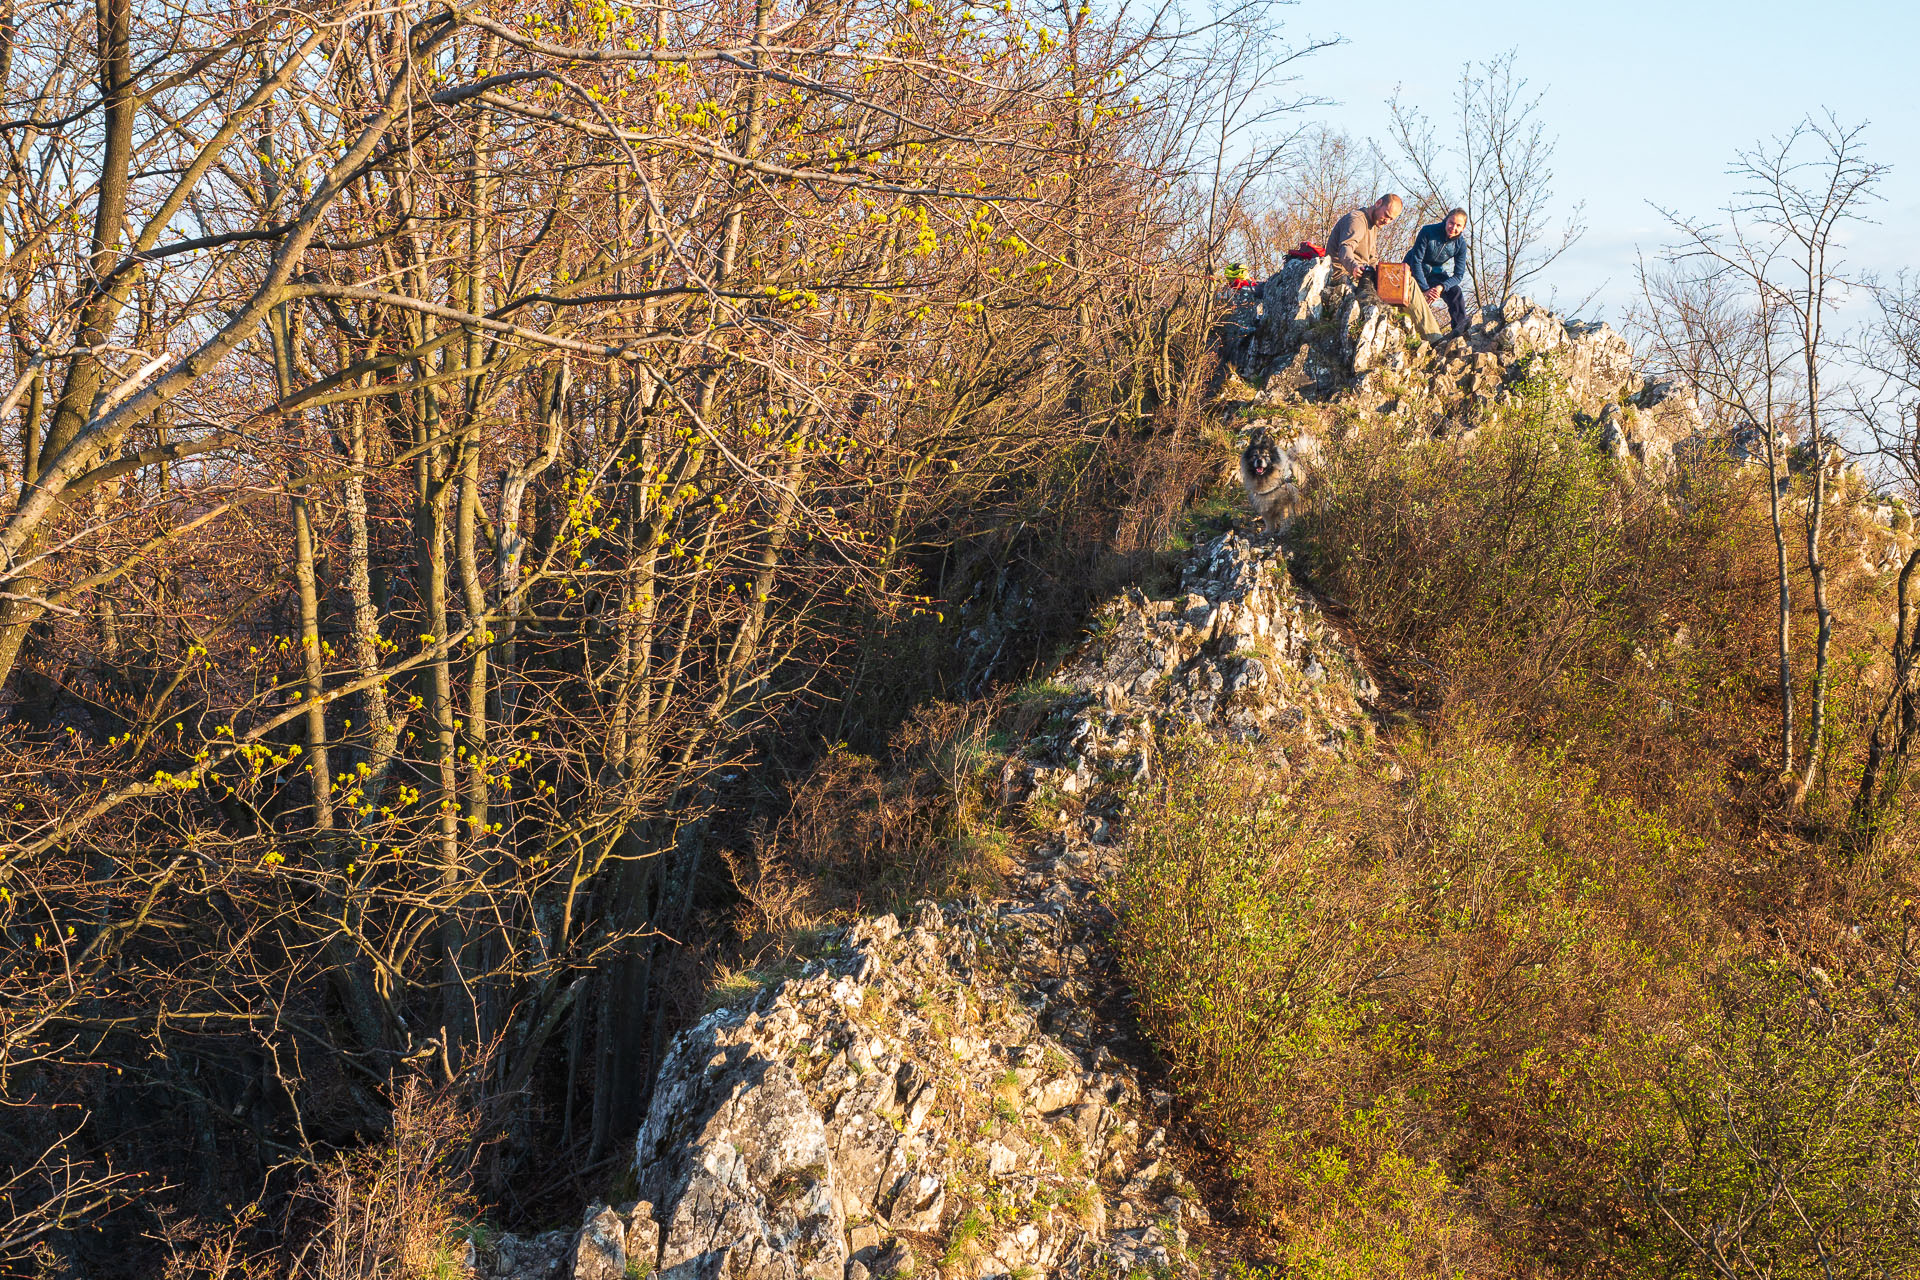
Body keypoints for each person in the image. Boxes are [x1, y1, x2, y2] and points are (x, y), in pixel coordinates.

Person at [1325, 194, 1440, 338]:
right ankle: (1434, 337)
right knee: (1407, 284)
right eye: (1386, 215)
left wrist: (1392, 274)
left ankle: (1414, 335)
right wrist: (1353, 266)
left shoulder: (1372, 226)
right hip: (1344, 276)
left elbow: (1372, 260)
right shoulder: (1357, 220)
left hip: (1363, 275)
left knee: (1402, 282)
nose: (1387, 221)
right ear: (1378, 203)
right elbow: (1345, 247)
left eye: (1391, 219)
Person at [1405, 207, 1470, 337]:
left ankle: (1460, 332)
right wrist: (1425, 289)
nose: (1453, 227)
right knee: (1414, 298)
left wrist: (1441, 287)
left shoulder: (1460, 245)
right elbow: (1416, 261)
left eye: (1458, 225)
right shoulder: (1428, 231)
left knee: (1455, 292)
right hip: (1412, 268)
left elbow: (1458, 275)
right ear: (1446, 221)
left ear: (1463, 228)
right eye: (1451, 223)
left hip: (1435, 272)